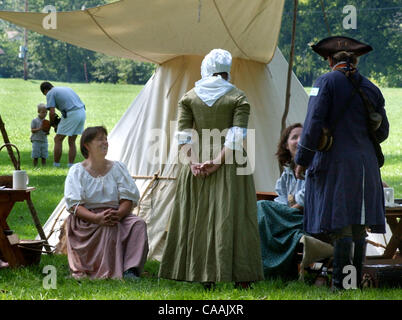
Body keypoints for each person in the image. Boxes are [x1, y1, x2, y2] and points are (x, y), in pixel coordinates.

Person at [158, 49, 264, 289]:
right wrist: (216, 161)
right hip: (231, 162)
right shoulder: (238, 97)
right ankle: (241, 278)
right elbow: (236, 137)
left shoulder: (189, 97)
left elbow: (183, 136)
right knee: (233, 216)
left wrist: (194, 162)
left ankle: (205, 276)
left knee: (201, 216)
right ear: (226, 71)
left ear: (206, 69)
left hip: (196, 164)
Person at [294, 36, 389, 290]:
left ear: (328, 59)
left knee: (341, 226)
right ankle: (352, 283)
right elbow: (382, 133)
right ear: (355, 60)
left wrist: (302, 159)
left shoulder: (324, 81)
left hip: (336, 163)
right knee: (358, 227)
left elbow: (313, 123)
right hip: (367, 165)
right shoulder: (371, 88)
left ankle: (341, 285)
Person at [64, 126, 149, 280]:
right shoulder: (76, 171)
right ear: (87, 145)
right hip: (87, 219)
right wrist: (96, 218)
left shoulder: (118, 168)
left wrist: (119, 214)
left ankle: (130, 270)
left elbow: (128, 198)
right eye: (99, 139)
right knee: (108, 227)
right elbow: (74, 205)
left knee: (138, 224)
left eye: (105, 139)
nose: (105, 142)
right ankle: (101, 270)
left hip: (116, 215)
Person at [257, 123, 305, 279]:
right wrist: (288, 210)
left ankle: (270, 269)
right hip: (289, 217)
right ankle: (263, 269)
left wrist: (293, 208)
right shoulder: (287, 174)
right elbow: (281, 199)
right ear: (286, 145)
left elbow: (309, 197)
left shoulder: (313, 168)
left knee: (262, 206)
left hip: (306, 219)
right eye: (294, 137)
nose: (299, 141)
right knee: (262, 216)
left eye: (303, 137)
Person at [40, 81, 86, 168]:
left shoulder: (50, 93)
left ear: (45, 90)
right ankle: (71, 165)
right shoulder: (65, 88)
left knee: (58, 139)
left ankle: (56, 165)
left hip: (72, 113)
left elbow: (52, 112)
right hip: (82, 112)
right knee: (72, 141)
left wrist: (52, 124)